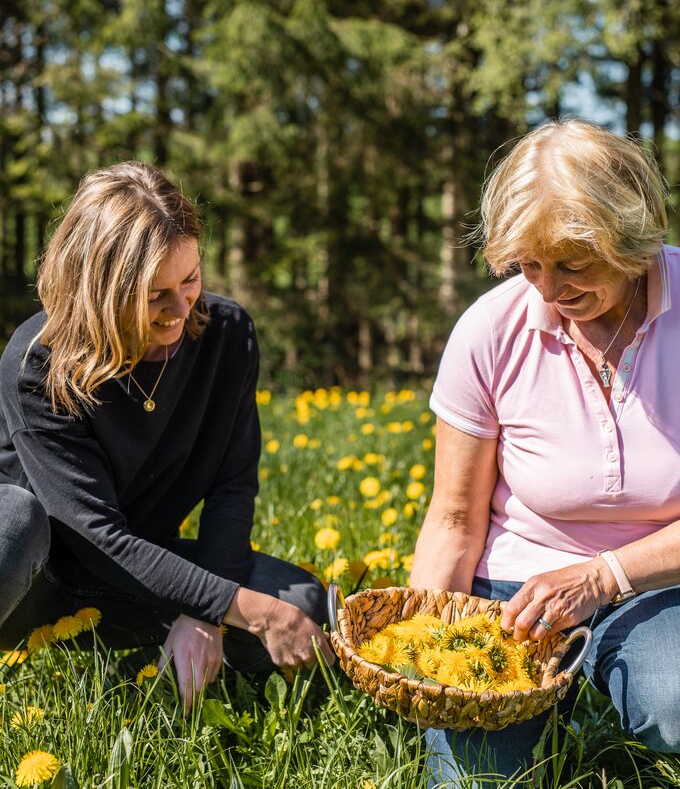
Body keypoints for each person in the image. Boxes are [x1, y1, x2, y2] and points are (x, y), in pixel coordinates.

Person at [0, 161, 334, 708]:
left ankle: (137, 664)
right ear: (98, 289)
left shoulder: (227, 336)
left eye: (191, 279)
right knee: (11, 518)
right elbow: (96, 535)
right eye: (155, 293)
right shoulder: (37, 363)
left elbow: (231, 486)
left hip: (135, 578)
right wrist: (242, 608)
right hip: (33, 580)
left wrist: (205, 610)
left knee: (304, 604)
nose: (181, 310)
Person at [409, 119, 680, 784]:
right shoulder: (490, 331)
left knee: (674, 698)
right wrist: (421, 645)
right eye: (528, 264)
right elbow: (453, 518)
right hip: (512, 594)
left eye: (572, 265)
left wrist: (602, 578)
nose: (547, 289)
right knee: (473, 781)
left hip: (661, 582)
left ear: (631, 238)